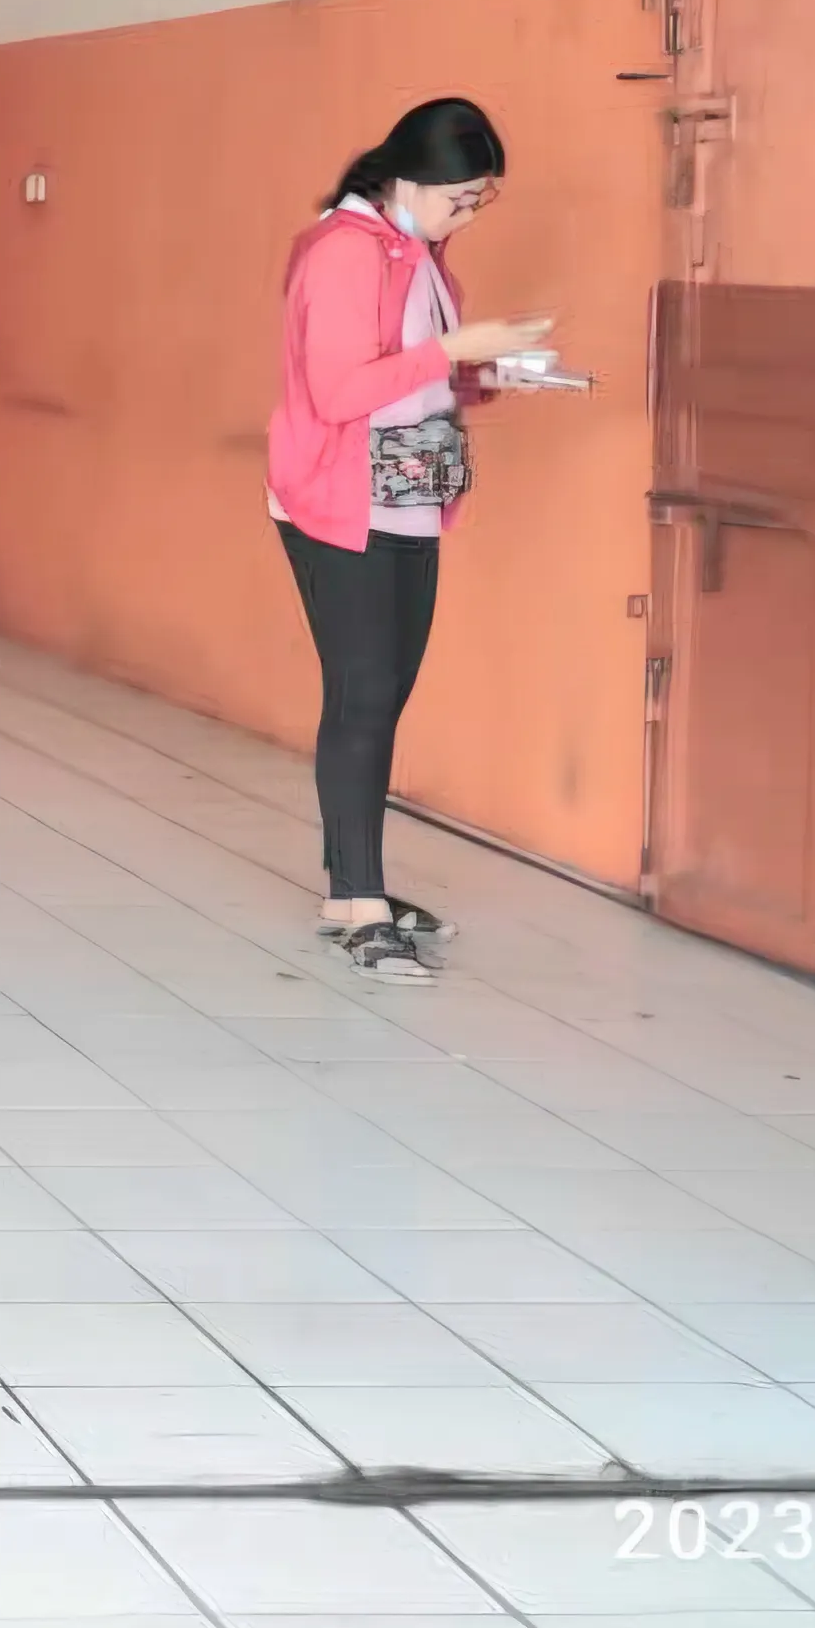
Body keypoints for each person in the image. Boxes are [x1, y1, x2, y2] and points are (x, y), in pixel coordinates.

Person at [267, 98, 557, 984]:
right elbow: (338, 393)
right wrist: (456, 348)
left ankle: (353, 893)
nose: (466, 216)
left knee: (382, 697)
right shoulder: (344, 252)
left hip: (407, 496)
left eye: (479, 202)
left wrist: (488, 374)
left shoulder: (417, 253)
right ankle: (359, 904)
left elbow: (417, 378)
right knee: (361, 699)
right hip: (340, 502)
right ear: (411, 178)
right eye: (460, 199)